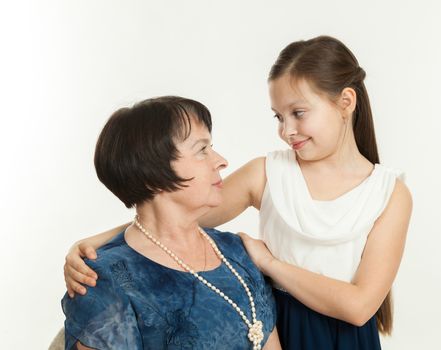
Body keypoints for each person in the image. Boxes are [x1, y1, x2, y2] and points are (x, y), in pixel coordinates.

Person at [64, 36, 412, 349]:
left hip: (344, 339)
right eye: (278, 116)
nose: (286, 130)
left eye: (298, 113)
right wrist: (95, 243)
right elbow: (170, 217)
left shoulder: (389, 193)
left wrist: (270, 264)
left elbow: (359, 306)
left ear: (346, 101)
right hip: (275, 325)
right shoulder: (268, 173)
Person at [61, 96, 280, 350]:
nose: (220, 160)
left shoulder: (239, 252)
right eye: (202, 150)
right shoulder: (105, 278)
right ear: (152, 174)